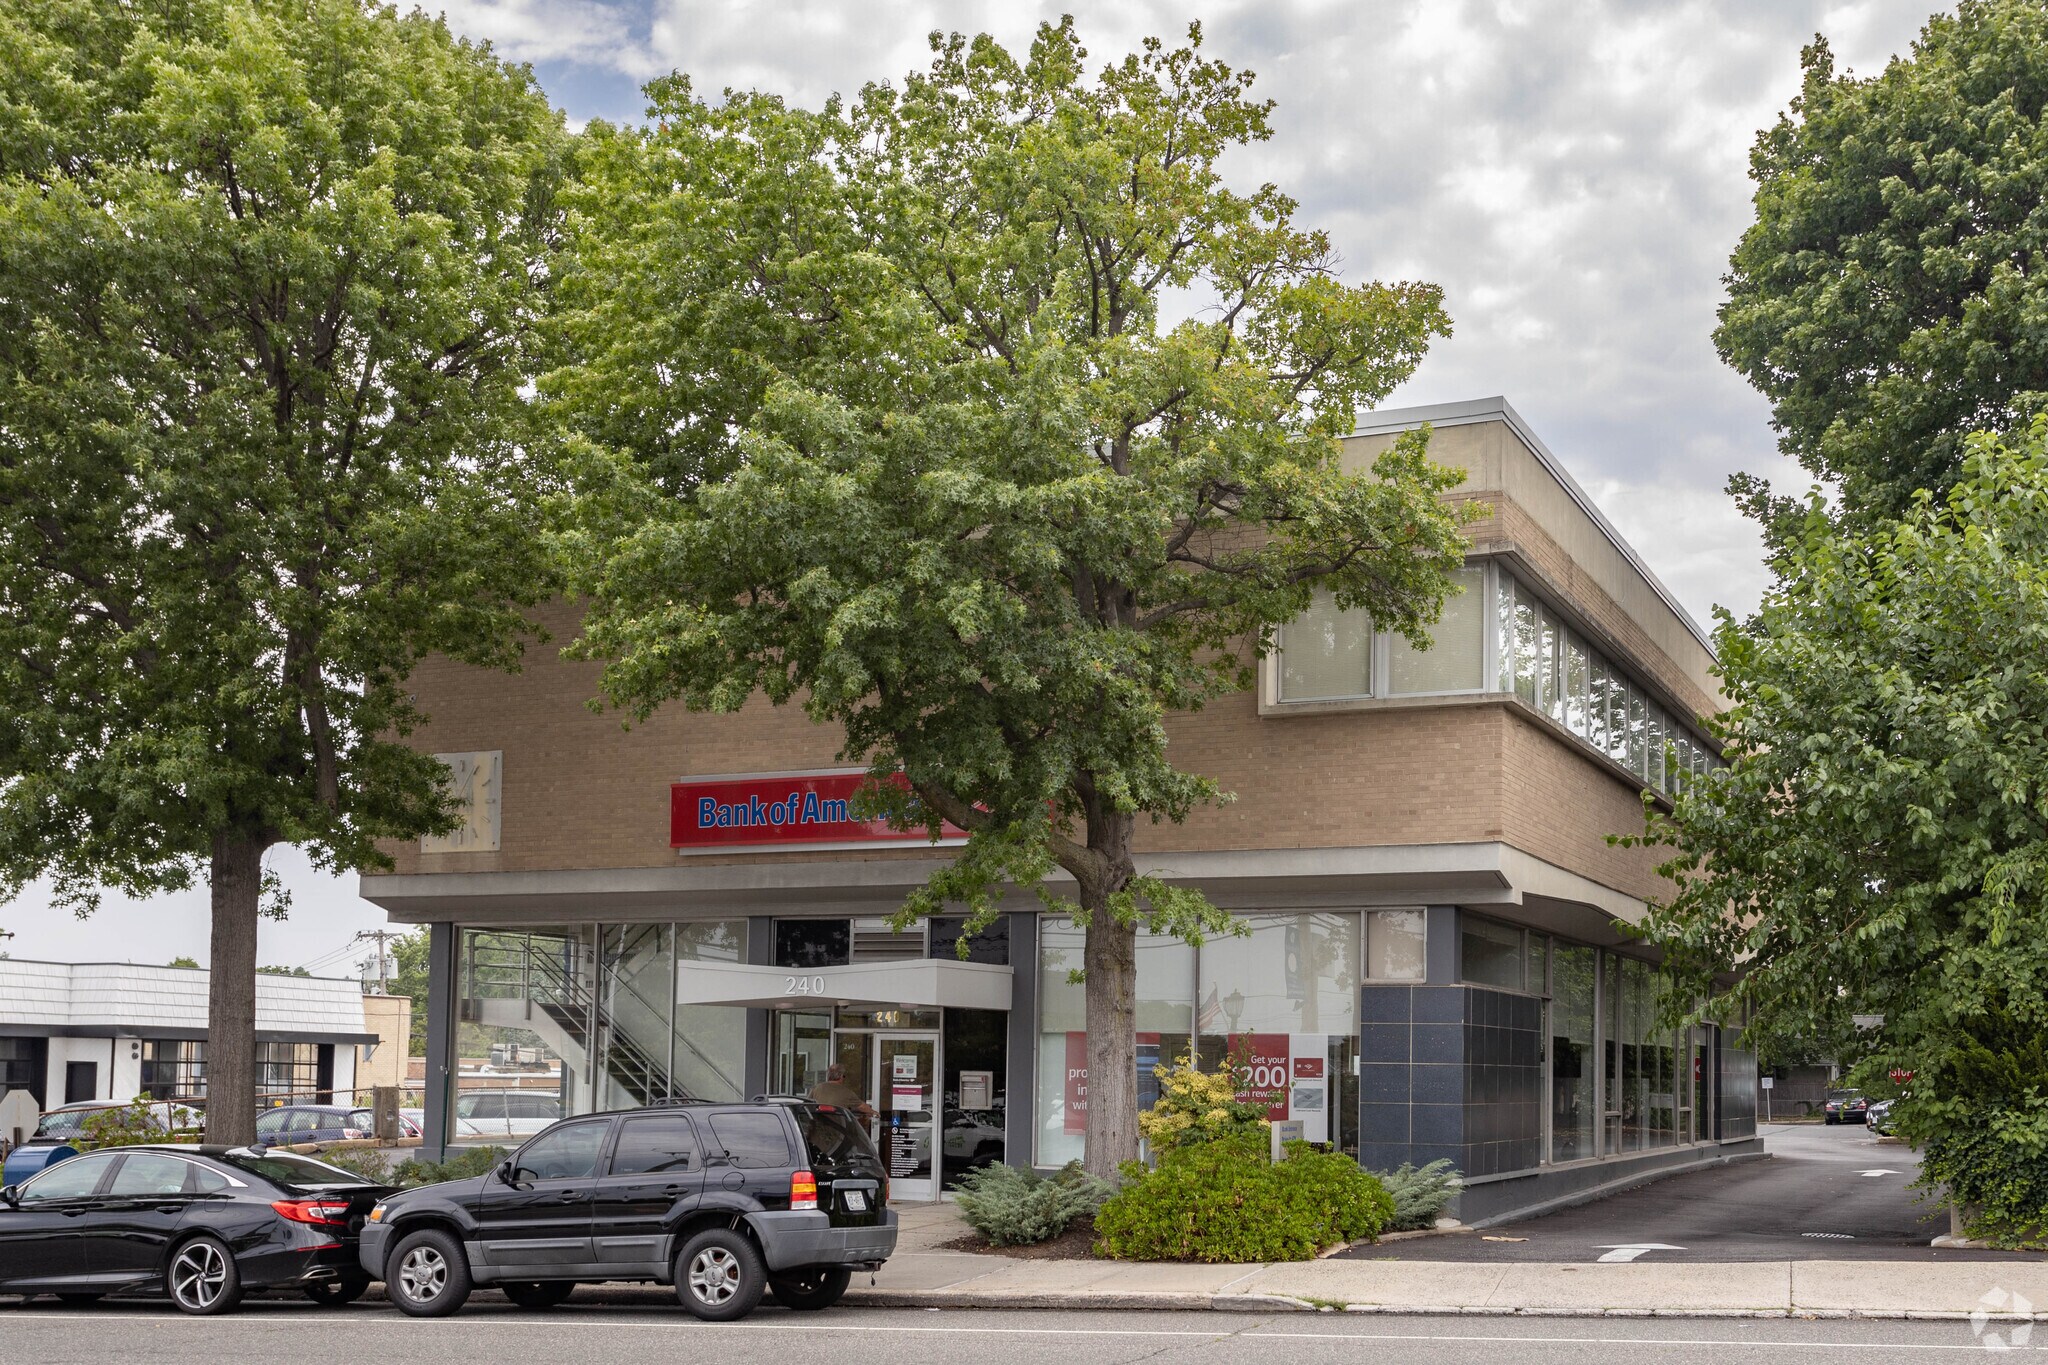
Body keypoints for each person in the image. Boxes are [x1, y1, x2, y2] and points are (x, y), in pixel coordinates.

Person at [808, 1063, 874, 1119]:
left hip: (817, 1125)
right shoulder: (846, 1092)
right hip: (837, 1127)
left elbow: (807, 1104)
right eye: (844, 1076)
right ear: (841, 1076)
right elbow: (862, 1107)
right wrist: (874, 1112)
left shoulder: (816, 1088)